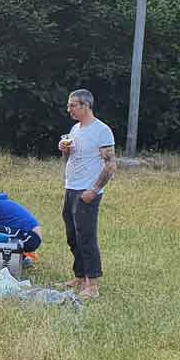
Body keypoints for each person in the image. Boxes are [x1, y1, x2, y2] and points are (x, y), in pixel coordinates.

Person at [58, 89, 117, 298]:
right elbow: (71, 158)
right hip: (71, 187)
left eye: (73, 105)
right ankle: (80, 276)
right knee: (72, 235)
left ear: (86, 106)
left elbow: (111, 165)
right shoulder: (75, 129)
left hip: (87, 190)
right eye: (69, 105)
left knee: (86, 236)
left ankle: (93, 285)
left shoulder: (102, 131)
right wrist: (65, 150)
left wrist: (94, 190)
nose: (69, 109)